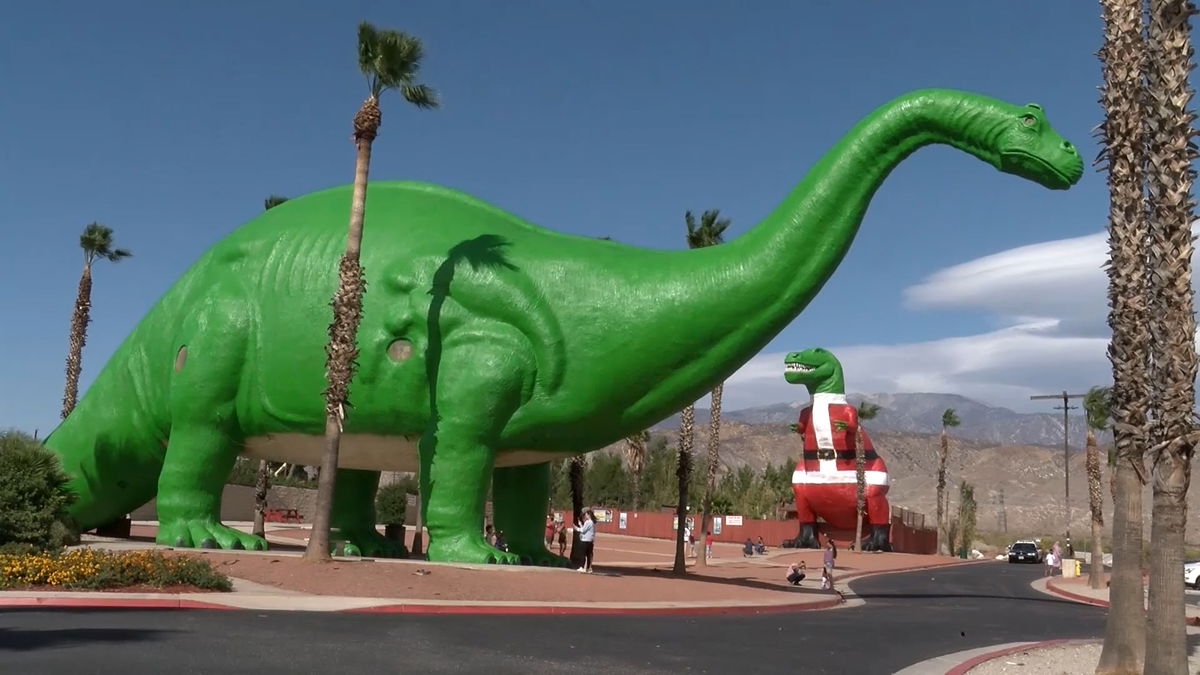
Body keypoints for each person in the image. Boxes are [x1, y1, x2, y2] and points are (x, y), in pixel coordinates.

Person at [576, 508, 596, 573]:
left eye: (585, 514)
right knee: (589, 555)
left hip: (585, 540)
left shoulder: (588, 522)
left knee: (583, 554)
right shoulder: (592, 522)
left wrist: (576, 528)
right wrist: (581, 524)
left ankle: (582, 567)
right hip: (590, 540)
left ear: (588, 514)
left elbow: (583, 530)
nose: (584, 516)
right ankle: (588, 568)